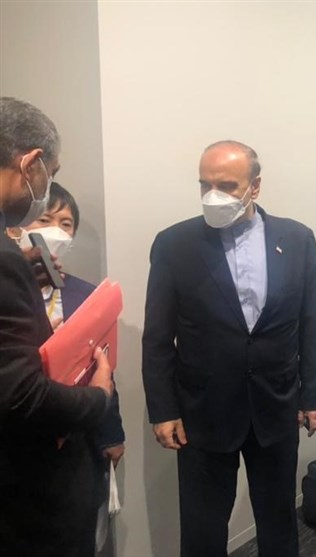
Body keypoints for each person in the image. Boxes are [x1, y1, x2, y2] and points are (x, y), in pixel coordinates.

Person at [141, 140, 316, 557]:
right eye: (205, 185)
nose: (214, 195)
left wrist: (313, 394)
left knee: (278, 522)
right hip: (203, 411)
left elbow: (311, 321)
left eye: (226, 186)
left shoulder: (297, 239)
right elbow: (157, 337)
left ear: (255, 187)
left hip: (276, 405)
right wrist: (164, 409)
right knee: (203, 530)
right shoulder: (174, 245)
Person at [0, 96, 113, 556]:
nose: (47, 189)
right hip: (26, 492)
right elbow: (20, 395)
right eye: (52, 173)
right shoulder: (4, 259)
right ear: (31, 164)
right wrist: (98, 397)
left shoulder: (12, 263)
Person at [17, 183, 126, 465]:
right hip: (19, 425)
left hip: (78, 427)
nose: (55, 230)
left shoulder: (87, 295)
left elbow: (103, 364)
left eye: (65, 224)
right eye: (44, 220)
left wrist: (111, 434)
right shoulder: (9, 289)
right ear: (18, 227)